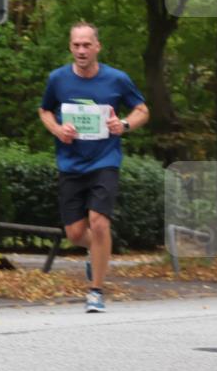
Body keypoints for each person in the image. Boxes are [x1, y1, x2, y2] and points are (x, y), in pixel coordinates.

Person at [38, 22, 149, 313]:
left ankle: (96, 291)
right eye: (76, 45)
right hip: (71, 163)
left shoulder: (117, 79)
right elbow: (45, 110)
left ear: (97, 46)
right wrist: (57, 129)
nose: (81, 50)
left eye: (87, 45)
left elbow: (142, 110)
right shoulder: (58, 79)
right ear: (70, 47)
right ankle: (96, 250)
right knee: (75, 233)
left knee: (99, 222)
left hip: (105, 161)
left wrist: (123, 125)